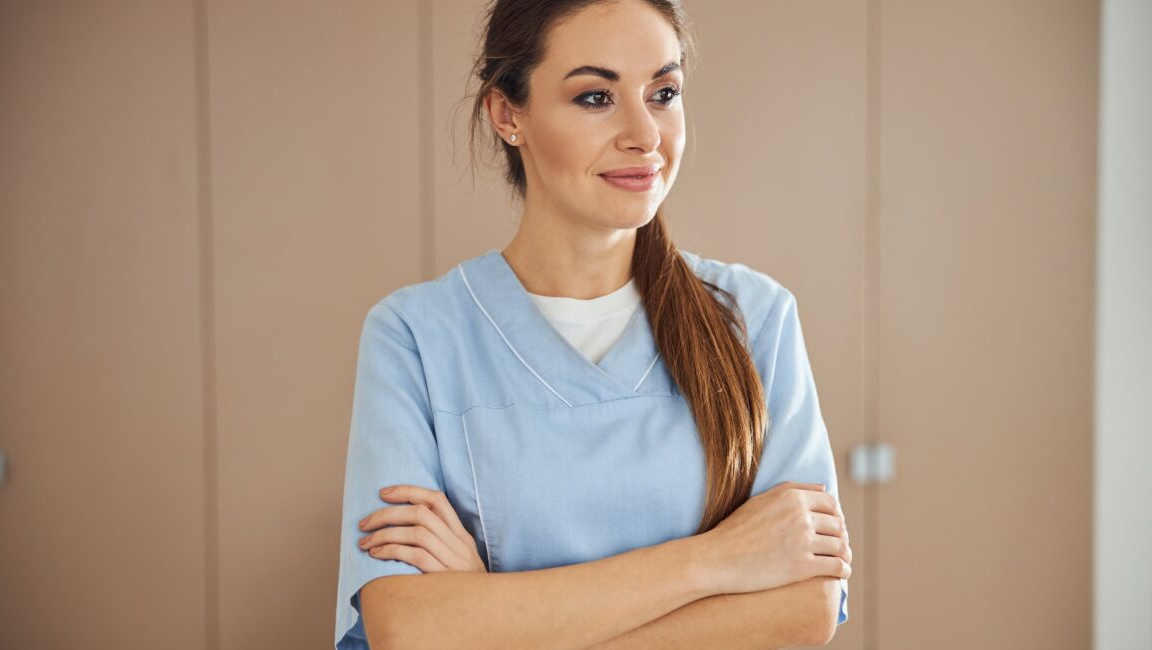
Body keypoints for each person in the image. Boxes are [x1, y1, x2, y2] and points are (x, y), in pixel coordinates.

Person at [334, 0, 852, 647]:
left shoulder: (754, 317)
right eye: (595, 97)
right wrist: (715, 561)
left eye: (663, 92)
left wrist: (491, 615)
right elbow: (407, 627)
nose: (645, 134)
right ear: (507, 113)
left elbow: (802, 611)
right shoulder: (413, 335)